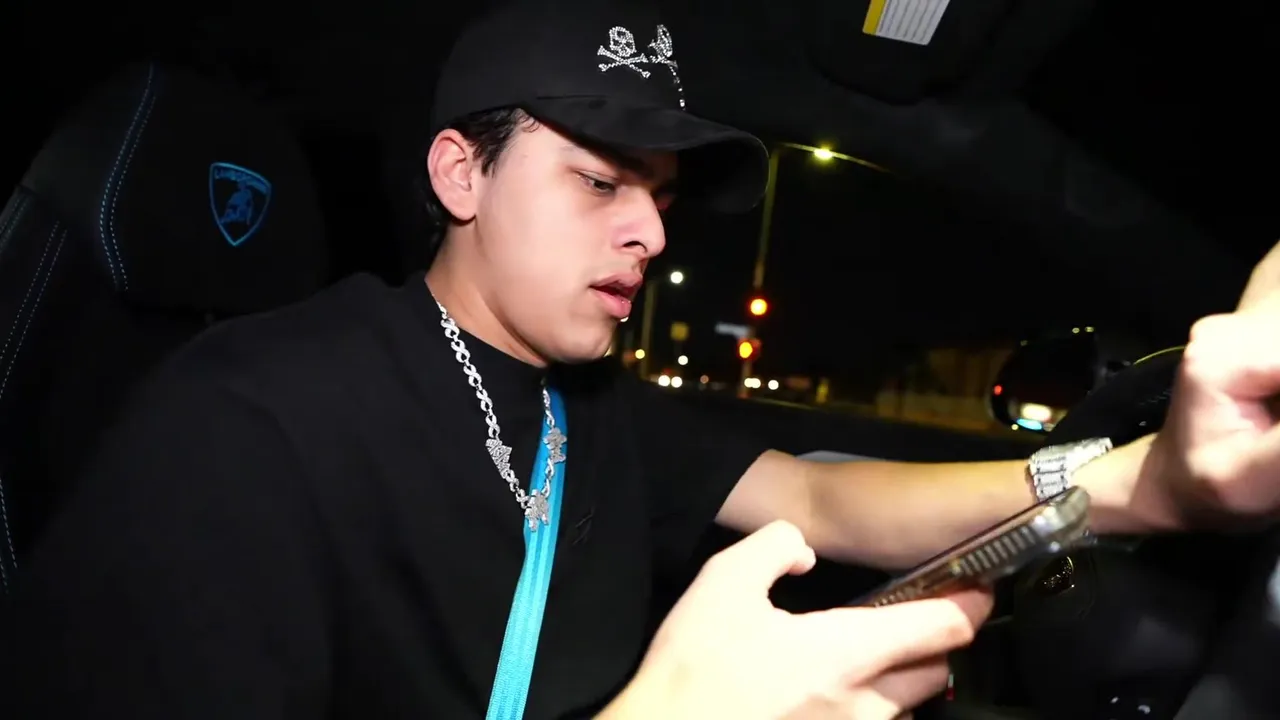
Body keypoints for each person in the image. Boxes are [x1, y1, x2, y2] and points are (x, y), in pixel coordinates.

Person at [3, 0, 1280, 717]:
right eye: (599, 179)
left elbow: (825, 497)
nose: (652, 233)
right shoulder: (241, 426)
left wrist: (1145, 485)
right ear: (460, 174)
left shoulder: (593, 410)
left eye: (660, 194)